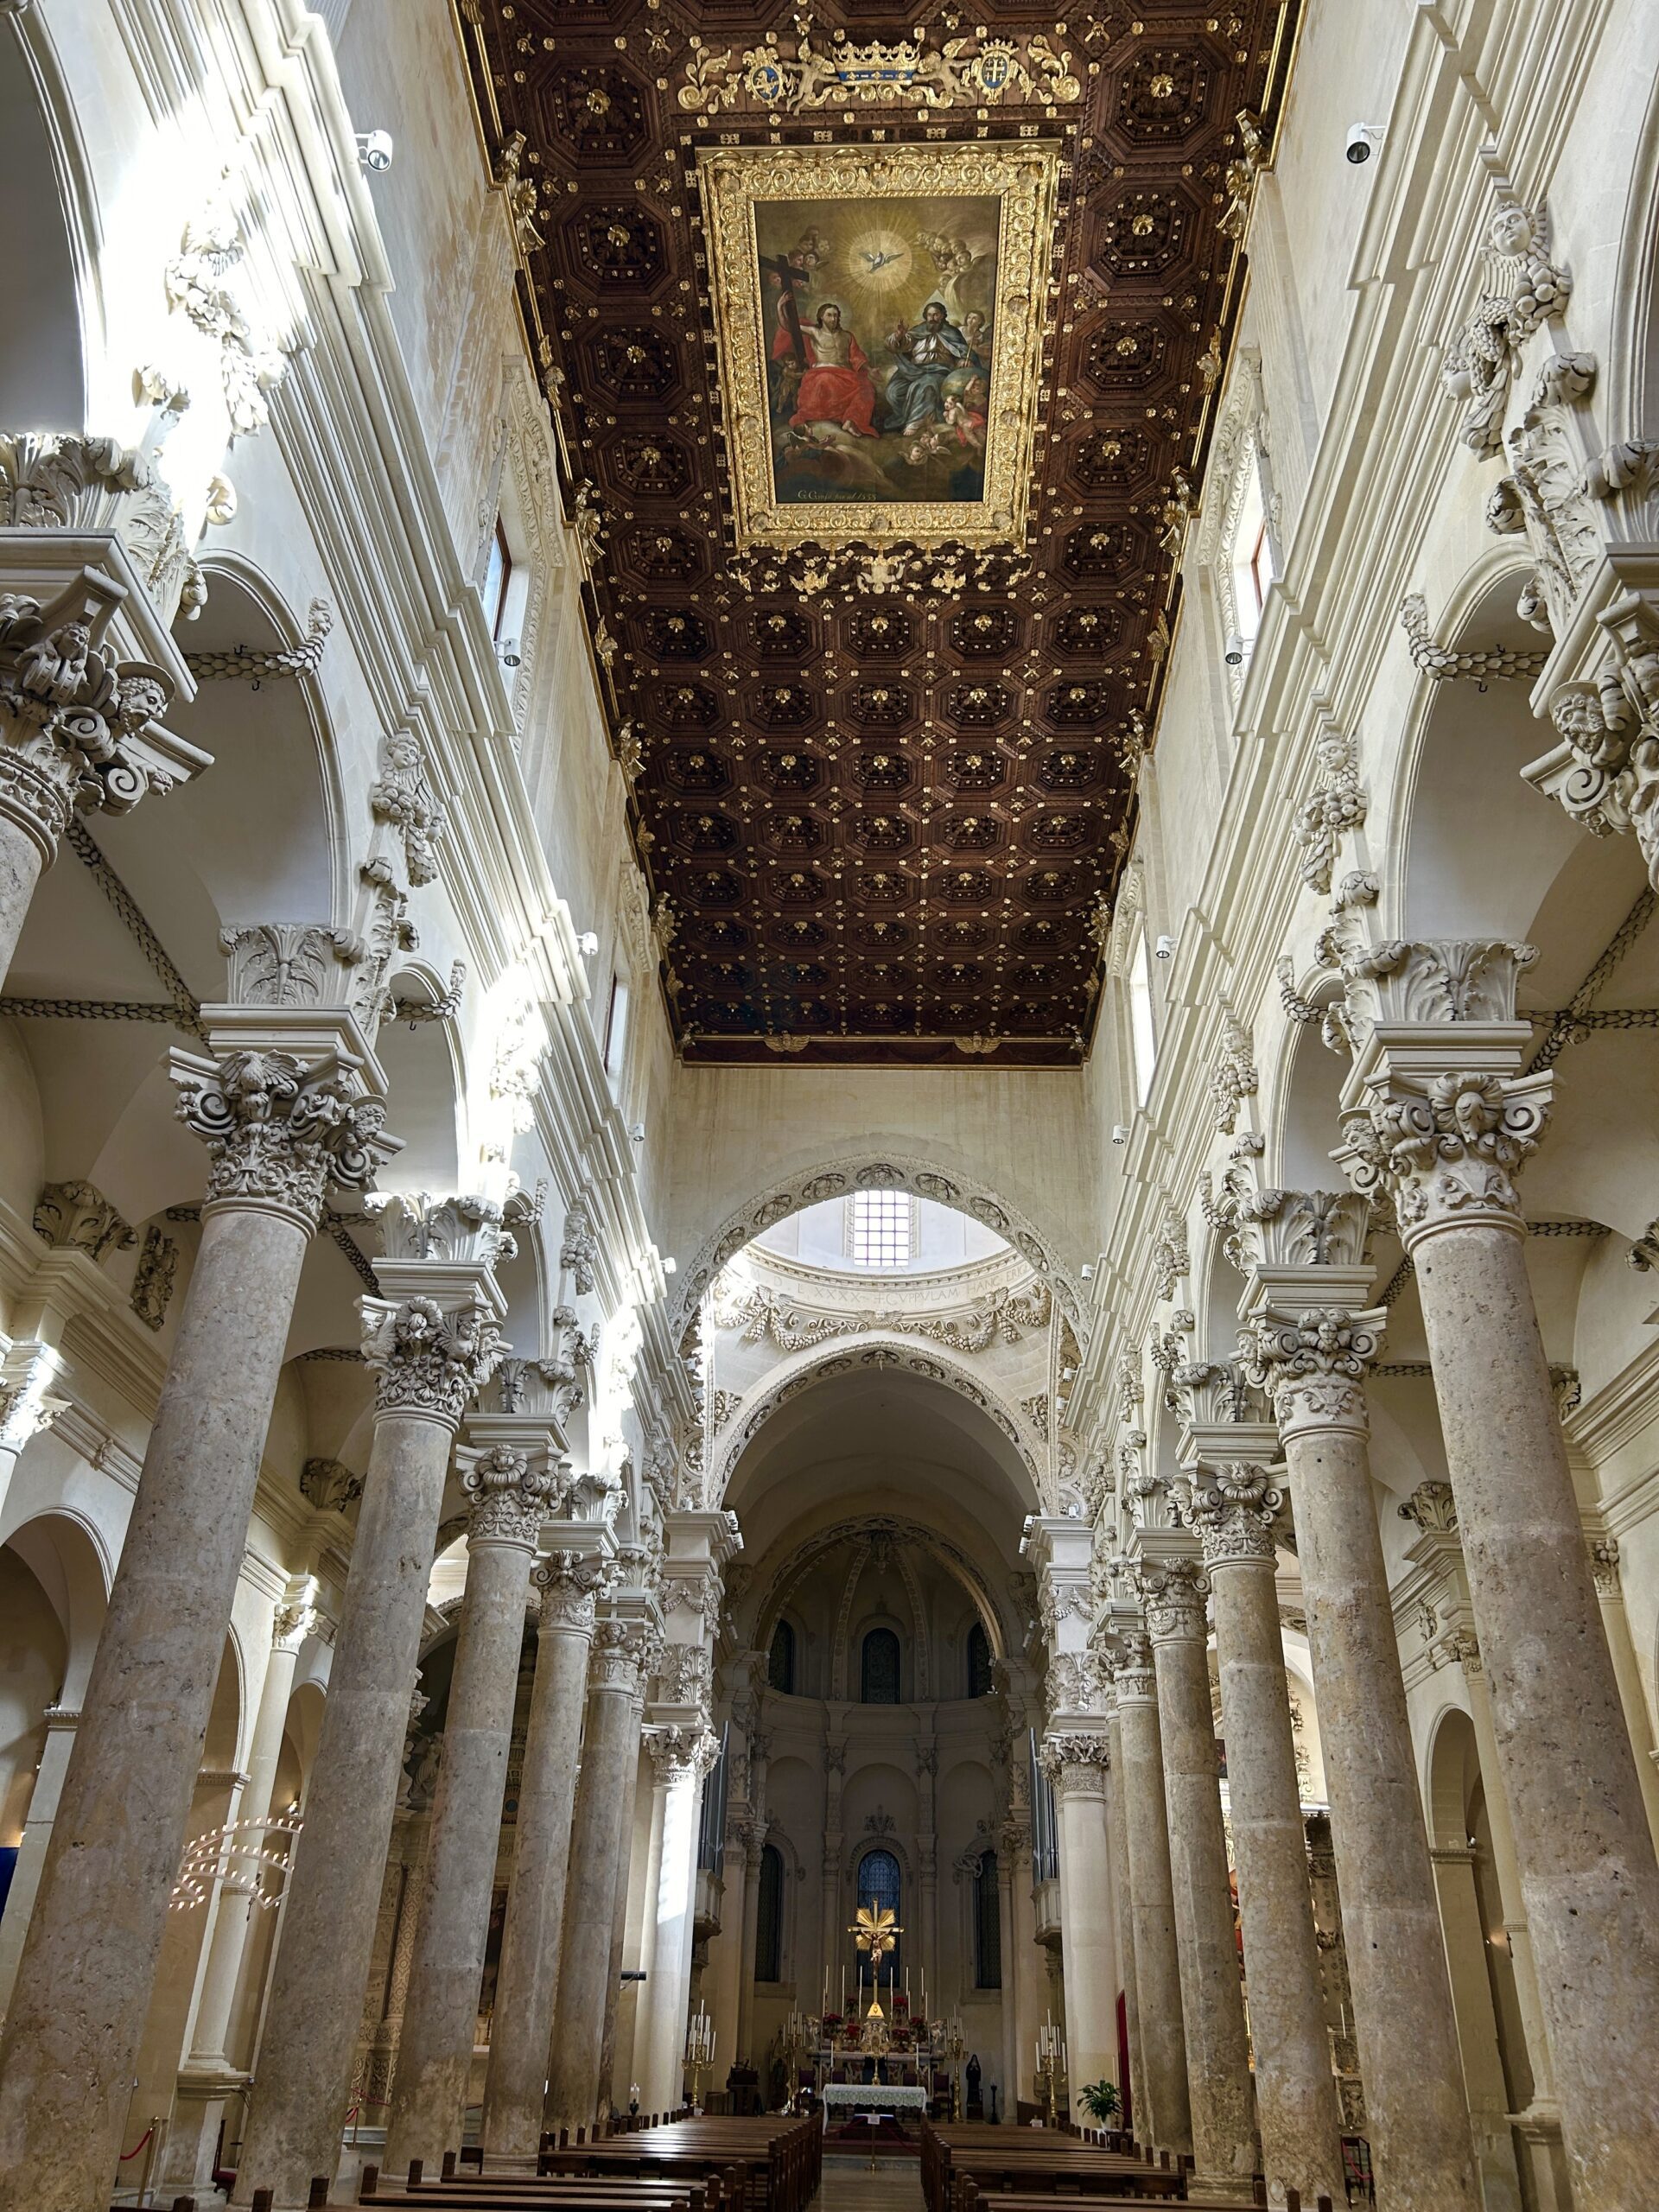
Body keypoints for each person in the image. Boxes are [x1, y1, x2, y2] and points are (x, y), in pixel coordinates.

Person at [773, 301, 878, 437]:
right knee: (825, 379)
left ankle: (851, 421)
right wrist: (780, 307)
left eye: (836, 315)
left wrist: (870, 370)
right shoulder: (815, 332)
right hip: (822, 372)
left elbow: (857, 357)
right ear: (821, 317)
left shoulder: (847, 336)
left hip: (846, 375)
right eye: (829, 315)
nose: (833, 319)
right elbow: (788, 326)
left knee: (867, 389)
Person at [884, 300, 969, 433]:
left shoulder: (951, 332)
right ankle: (904, 417)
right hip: (914, 370)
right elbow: (895, 345)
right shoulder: (918, 331)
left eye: (936, 315)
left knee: (925, 385)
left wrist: (962, 361)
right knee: (893, 391)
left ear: (942, 315)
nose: (932, 318)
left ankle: (916, 421)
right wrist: (898, 336)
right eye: (929, 315)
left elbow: (963, 352)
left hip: (939, 370)